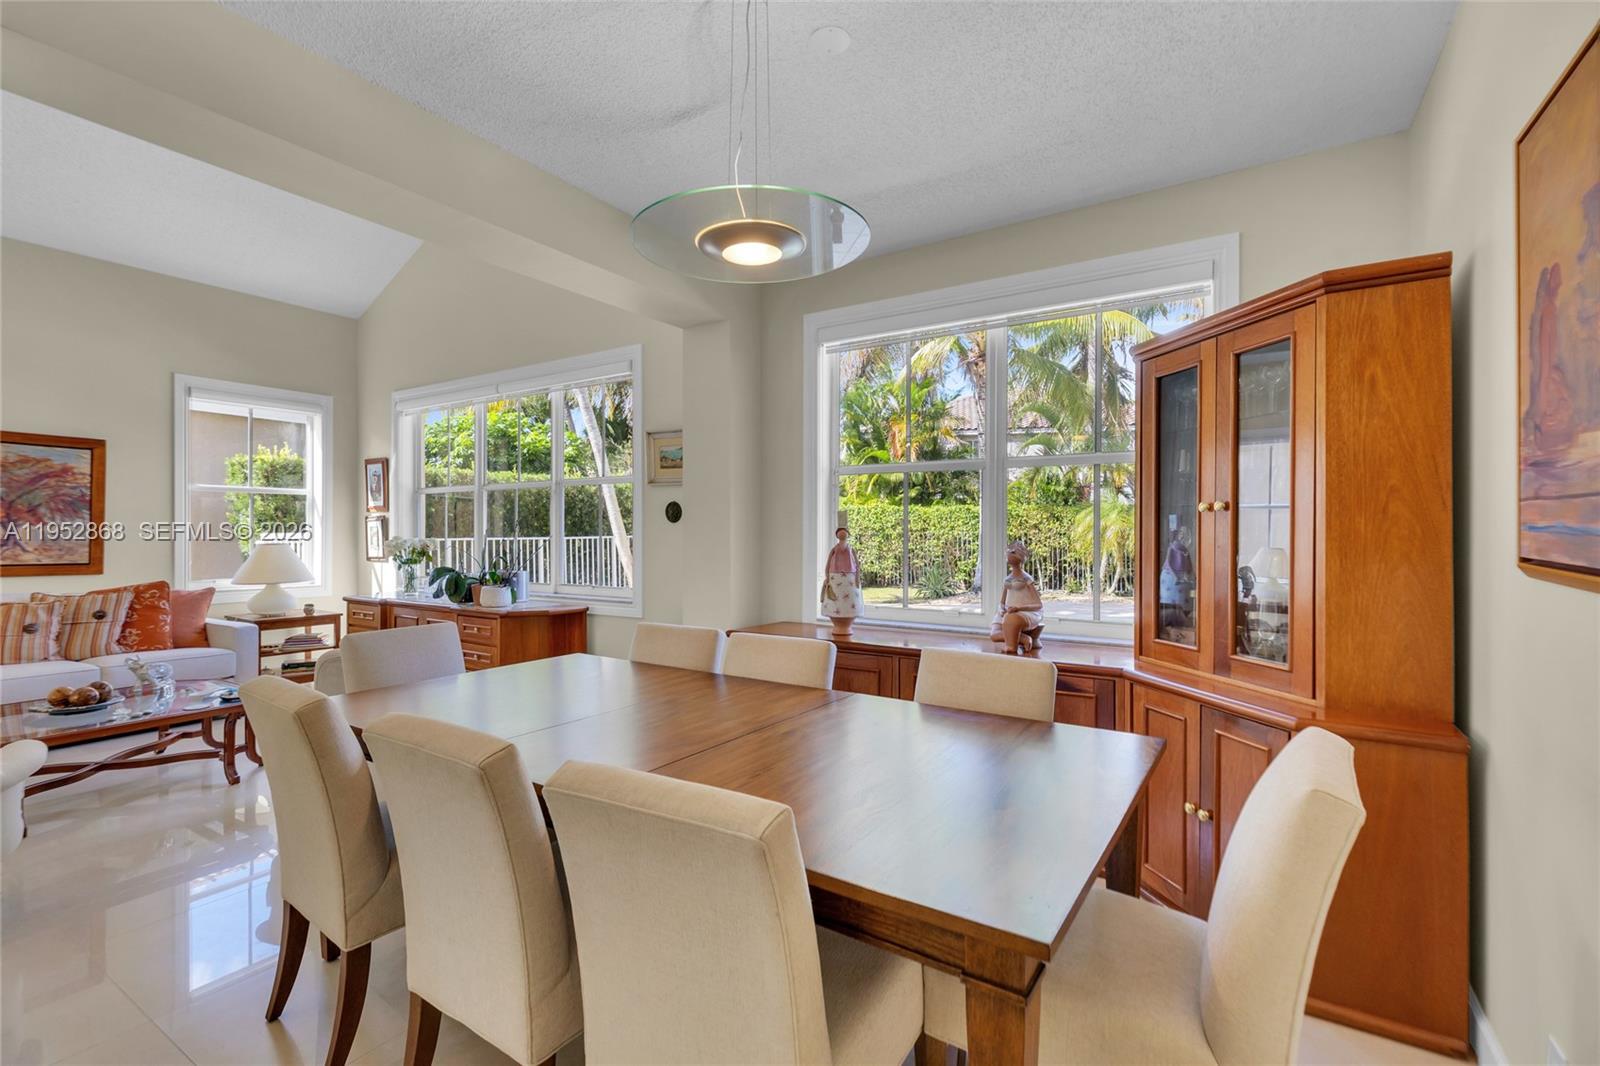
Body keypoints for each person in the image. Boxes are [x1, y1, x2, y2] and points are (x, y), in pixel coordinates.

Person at [990, 540, 1044, 654]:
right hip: (1008, 612)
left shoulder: (1026, 578)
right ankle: (1022, 638)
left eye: (1013, 552)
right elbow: (1003, 600)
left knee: (1011, 619)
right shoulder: (1007, 579)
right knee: (994, 635)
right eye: (1009, 551)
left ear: (1022, 557)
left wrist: (1019, 608)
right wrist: (1001, 609)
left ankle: (1011, 647)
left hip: (1024, 612)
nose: (1010, 553)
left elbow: (1038, 605)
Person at [820, 523, 864, 635]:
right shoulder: (834, 549)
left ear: (848, 534)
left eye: (844, 532)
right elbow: (828, 563)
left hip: (850, 577)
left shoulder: (850, 549)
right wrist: (827, 576)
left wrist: (857, 576)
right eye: (840, 532)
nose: (842, 533)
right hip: (835, 577)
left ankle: (846, 624)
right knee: (835, 598)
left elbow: (857, 564)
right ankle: (838, 623)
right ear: (837, 535)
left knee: (849, 599)